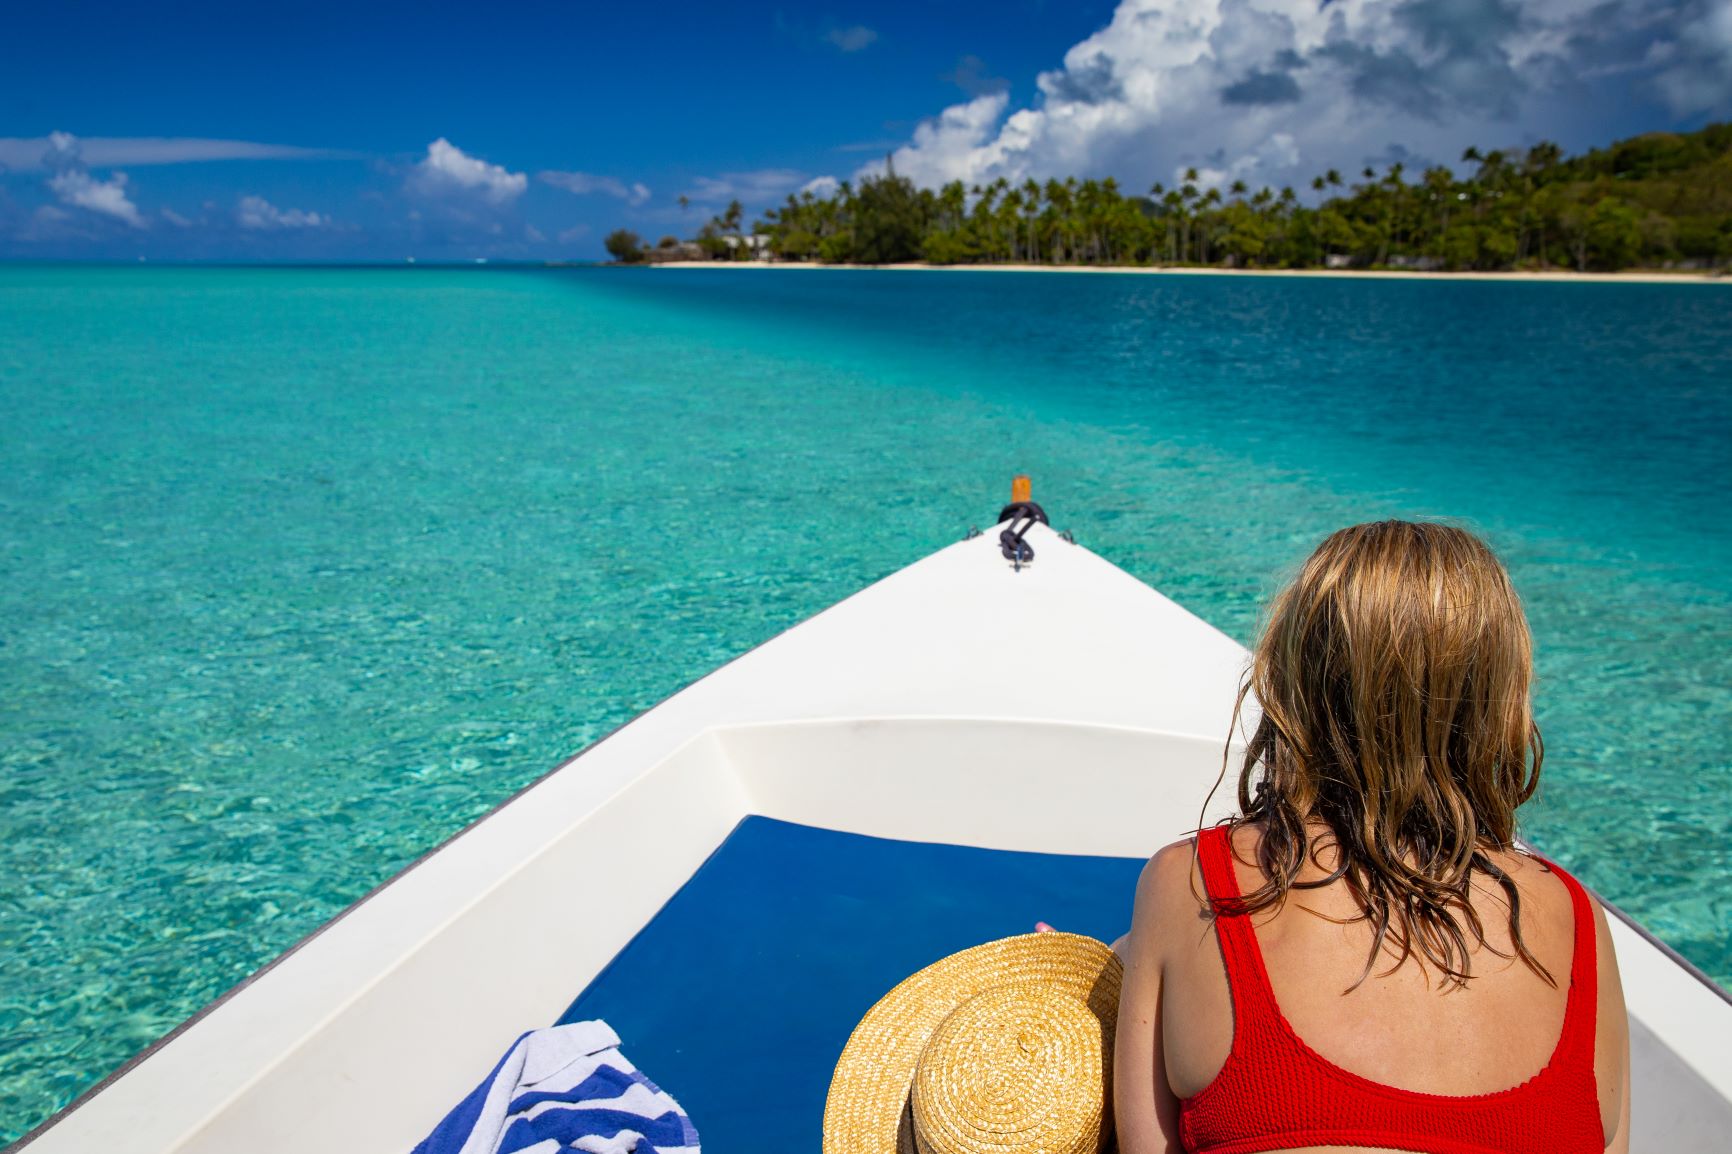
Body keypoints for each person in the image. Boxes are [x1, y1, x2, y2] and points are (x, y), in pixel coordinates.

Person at [1114, 521, 1630, 1154]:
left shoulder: (1194, 886)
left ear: (1295, 677)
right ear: (1496, 693)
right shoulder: (1576, 922)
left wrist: (1110, 977)